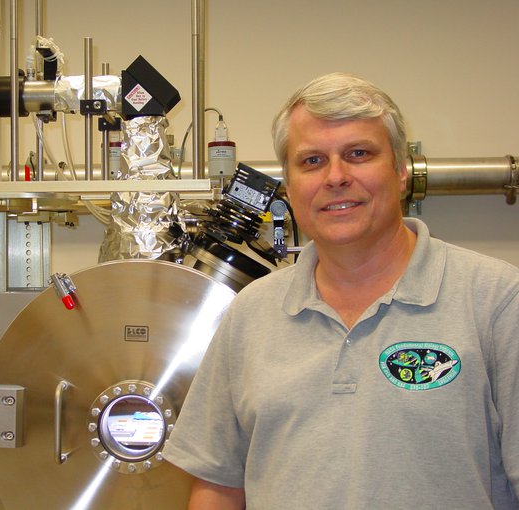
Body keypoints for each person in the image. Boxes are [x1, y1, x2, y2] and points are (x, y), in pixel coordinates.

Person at [162, 72, 519, 509]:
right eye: (312, 161)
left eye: (358, 153)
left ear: (402, 171)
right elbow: (218, 486)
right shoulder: (250, 314)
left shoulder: (497, 300)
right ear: (289, 189)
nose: (335, 177)